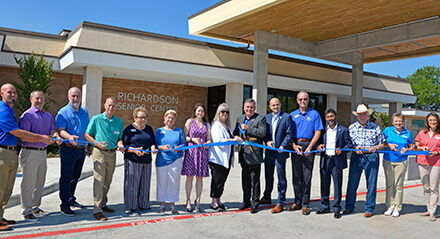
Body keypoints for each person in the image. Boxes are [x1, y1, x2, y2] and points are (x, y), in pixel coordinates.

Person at [0, 83, 52, 231]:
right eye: (9, 92)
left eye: (14, 92)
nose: (13, 95)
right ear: (1, 93)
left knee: (7, 188)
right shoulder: (3, 110)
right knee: (1, 188)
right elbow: (19, 133)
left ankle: (0, 216)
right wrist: (42, 138)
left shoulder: (9, 110)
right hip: (3, 152)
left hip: (10, 152)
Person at [18, 91, 62, 222]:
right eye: (37, 98)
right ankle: (26, 211)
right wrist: (42, 139)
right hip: (30, 152)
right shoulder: (27, 115)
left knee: (39, 182)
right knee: (29, 183)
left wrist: (56, 136)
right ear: (31, 99)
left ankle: (35, 207)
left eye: (41, 98)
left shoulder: (48, 116)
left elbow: (52, 130)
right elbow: (24, 136)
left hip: (42, 153)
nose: (39, 100)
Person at [343, 104, 385, 218]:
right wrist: (354, 148)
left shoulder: (375, 127)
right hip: (356, 157)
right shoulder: (351, 128)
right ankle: (349, 206)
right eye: (360, 114)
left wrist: (376, 148)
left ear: (368, 115)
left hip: (372, 157)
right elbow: (348, 143)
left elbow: (382, 143)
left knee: (371, 183)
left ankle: (369, 208)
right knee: (352, 182)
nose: (362, 116)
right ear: (357, 116)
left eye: (364, 114)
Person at [85, 97, 124, 221]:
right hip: (99, 152)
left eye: (113, 106)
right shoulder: (96, 119)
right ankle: (97, 209)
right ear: (105, 105)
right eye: (109, 105)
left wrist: (121, 144)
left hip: (112, 154)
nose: (111, 108)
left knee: (108, 180)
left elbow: (119, 138)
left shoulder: (119, 122)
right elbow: (87, 134)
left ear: (116, 107)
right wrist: (96, 143)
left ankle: (103, 203)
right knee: (99, 180)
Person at [56, 87, 91, 216]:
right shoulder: (63, 112)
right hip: (68, 150)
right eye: (73, 96)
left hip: (81, 150)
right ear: (68, 97)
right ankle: (64, 205)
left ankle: (71, 200)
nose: (75, 98)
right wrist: (69, 137)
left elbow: (86, 131)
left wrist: (89, 146)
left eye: (77, 96)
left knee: (75, 178)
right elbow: (61, 130)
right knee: (66, 177)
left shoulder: (84, 112)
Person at [288, 91, 323, 215]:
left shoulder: (315, 114)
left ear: (308, 100)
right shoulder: (292, 115)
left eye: (305, 99)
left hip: (309, 145)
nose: (303, 101)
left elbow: (318, 131)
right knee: (296, 176)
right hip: (296, 146)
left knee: (306, 176)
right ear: (297, 101)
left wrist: (310, 146)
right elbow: (289, 133)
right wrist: (293, 146)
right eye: (300, 99)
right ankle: (297, 202)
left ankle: (305, 204)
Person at [118, 107, 157, 216]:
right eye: (140, 118)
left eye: (144, 117)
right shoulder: (129, 129)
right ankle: (132, 207)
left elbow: (152, 142)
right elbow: (124, 146)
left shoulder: (149, 129)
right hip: (132, 160)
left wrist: (153, 148)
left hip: (146, 160)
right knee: (132, 184)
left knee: (145, 184)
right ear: (135, 118)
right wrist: (134, 150)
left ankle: (143, 204)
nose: (143, 120)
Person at [259, 97, 294, 213]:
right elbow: (264, 133)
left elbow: (289, 134)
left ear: (280, 105)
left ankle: (281, 202)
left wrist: (283, 146)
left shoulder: (286, 117)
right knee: (268, 175)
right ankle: (267, 196)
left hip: (280, 153)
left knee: (281, 177)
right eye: (273, 105)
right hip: (269, 152)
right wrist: (267, 141)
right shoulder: (266, 117)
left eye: (277, 105)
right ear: (270, 106)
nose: (275, 107)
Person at [316, 108, 351, 219]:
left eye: (332, 116)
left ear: (336, 116)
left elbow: (349, 144)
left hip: (337, 161)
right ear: (325, 118)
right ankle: (325, 206)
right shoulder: (323, 130)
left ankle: (336, 208)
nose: (330, 119)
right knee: (324, 184)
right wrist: (318, 146)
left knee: (337, 185)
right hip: (325, 160)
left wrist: (342, 150)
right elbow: (318, 143)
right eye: (328, 117)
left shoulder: (343, 130)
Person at [233, 98, 266, 214]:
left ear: (254, 108)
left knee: (255, 180)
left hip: (254, 155)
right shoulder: (240, 118)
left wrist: (248, 129)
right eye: (247, 107)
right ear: (244, 107)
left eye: (251, 107)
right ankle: (246, 202)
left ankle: (255, 203)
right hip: (243, 155)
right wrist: (236, 136)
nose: (249, 109)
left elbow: (262, 133)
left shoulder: (260, 119)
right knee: (245, 180)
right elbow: (235, 132)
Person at [209, 103, 242, 210]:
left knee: (222, 181)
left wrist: (235, 137)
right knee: (217, 180)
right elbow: (218, 141)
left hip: (226, 159)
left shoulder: (226, 126)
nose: (225, 114)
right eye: (222, 112)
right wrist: (232, 140)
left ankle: (218, 200)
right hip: (218, 158)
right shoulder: (216, 125)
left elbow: (230, 138)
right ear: (218, 113)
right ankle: (214, 201)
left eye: (227, 112)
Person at [382, 112, 414, 218]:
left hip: (402, 161)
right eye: (396, 121)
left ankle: (397, 207)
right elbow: (381, 143)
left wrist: (407, 149)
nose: (398, 123)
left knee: (399, 185)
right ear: (392, 122)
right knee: (389, 185)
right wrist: (389, 144)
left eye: (400, 121)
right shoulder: (387, 131)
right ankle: (390, 206)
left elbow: (412, 147)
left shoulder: (408, 133)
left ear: (403, 122)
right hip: (388, 160)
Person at [182, 103, 212, 212]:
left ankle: (198, 200)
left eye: (202, 111)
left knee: (200, 178)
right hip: (191, 151)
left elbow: (209, 139)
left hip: (202, 153)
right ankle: (188, 200)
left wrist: (207, 143)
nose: (200, 113)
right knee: (189, 177)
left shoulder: (206, 124)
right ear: (195, 111)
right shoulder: (189, 122)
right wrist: (192, 139)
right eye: (198, 111)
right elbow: (184, 137)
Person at [155, 110, 185, 214]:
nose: (170, 120)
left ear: (175, 120)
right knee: (162, 182)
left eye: (172, 118)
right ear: (164, 118)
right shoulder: (159, 131)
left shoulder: (179, 131)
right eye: (168, 117)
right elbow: (155, 145)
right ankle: (162, 204)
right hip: (161, 160)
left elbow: (183, 144)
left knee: (174, 183)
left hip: (176, 160)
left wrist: (178, 148)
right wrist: (161, 147)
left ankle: (172, 205)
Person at [415, 112, 440, 221]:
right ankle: (428, 208)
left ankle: (432, 211)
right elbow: (416, 143)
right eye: (430, 120)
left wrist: (437, 152)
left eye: (434, 120)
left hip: (436, 162)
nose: (432, 122)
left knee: (433, 187)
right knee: (426, 187)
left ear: (437, 121)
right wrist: (421, 147)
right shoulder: (422, 132)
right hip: (422, 162)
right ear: (427, 122)